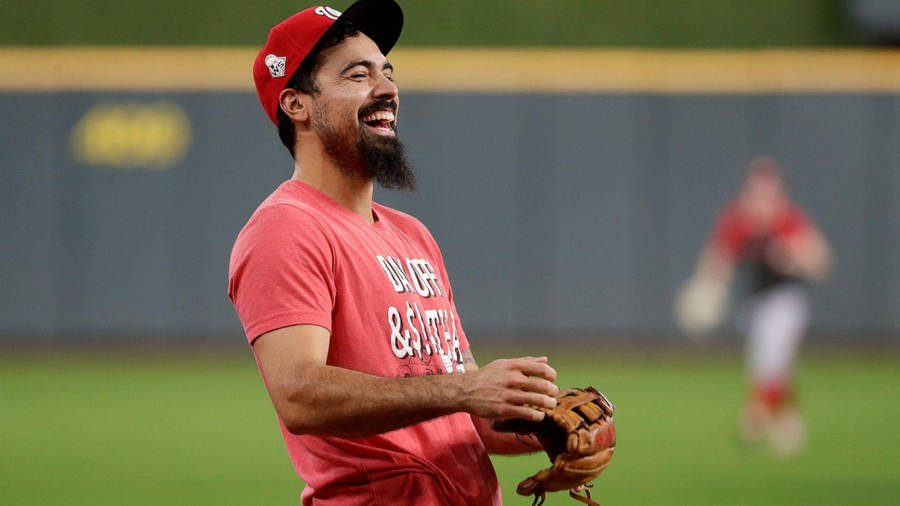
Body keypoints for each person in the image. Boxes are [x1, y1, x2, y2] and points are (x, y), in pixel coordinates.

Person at [227, 1, 559, 504]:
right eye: (358, 75)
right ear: (296, 105)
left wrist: (550, 428)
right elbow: (299, 395)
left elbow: (470, 418)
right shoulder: (287, 227)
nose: (387, 89)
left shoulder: (412, 235)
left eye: (387, 72)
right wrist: (465, 389)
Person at [675, 156, 832, 455]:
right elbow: (718, 259)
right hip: (756, 303)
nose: (761, 200)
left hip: (787, 300)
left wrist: (792, 256)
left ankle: (754, 418)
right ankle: (788, 421)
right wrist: (707, 289)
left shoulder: (788, 221)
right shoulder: (738, 220)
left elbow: (821, 261)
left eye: (768, 193)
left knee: (773, 359)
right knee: (766, 366)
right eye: (756, 192)